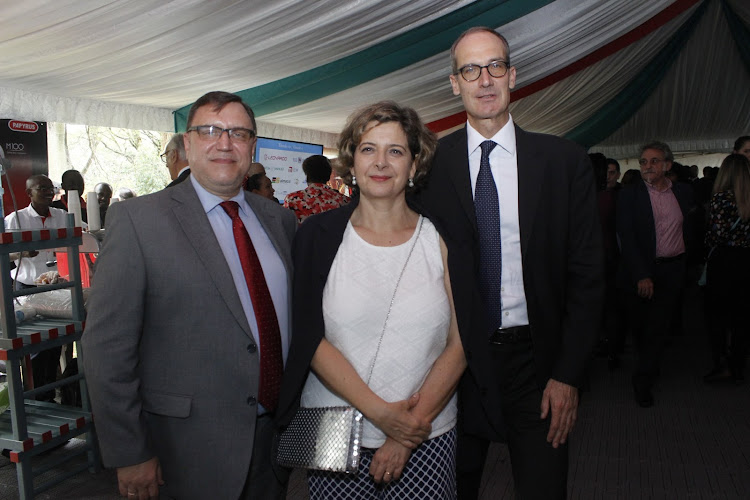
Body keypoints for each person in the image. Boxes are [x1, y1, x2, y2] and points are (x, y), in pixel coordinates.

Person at [413, 27, 603, 499]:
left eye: (495, 66)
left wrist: (568, 374)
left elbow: (588, 276)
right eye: (470, 70)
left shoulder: (564, 162)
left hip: (536, 365)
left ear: (513, 75)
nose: (484, 80)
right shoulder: (426, 167)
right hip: (452, 364)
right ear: (454, 83)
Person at [82, 91, 296, 500]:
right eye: (210, 130)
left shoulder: (279, 220)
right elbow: (107, 347)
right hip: (184, 450)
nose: (224, 142)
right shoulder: (138, 221)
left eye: (238, 133)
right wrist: (130, 451)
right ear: (189, 142)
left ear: (253, 145)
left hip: (273, 442)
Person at [277, 101, 465, 499]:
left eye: (395, 151)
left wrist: (404, 432)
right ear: (351, 162)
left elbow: (462, 341)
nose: (381, 162)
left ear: (414, 165)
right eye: (368, 149)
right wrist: (383, 417)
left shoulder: (444, 238)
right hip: (333, 432)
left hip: (426, 433)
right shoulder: (316, 236)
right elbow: (309, 336)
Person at [617, 141, 694, 408]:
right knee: (640, 326)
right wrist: (641, 275)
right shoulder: (630, 195)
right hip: (643, 271)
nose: (647, 166)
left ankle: (643, 380)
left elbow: (691, 228)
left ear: (668, 165)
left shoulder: (683, 193)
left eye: (654, 161)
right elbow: (626, 238)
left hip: (673, 270)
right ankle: (647, 364)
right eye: (643, 162)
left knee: (659, 327)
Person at [5, 174, 70, 401]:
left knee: (55, 344)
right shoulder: (16, 220)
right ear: (28, 193)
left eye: (50, 188)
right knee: (35, 347)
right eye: (41, 188)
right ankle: (36, 397)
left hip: (54, 288)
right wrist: (22, 252)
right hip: (27, 289)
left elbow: (82, 238)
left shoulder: (62, 216)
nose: (48, 192)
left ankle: (52, 394)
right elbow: (8, 256)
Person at [703, 153, 750, 384]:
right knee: (742, 316)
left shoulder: (720, 199)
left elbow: (717, 235)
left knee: (718, 316)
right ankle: (738, 364)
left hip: (723, 261)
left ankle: (721, 363)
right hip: (746, 260)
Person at [283, 154, 350, 224]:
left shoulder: (292, 200)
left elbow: (285, 228)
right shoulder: (344, 201)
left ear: (307, 176)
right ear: (328, 176)